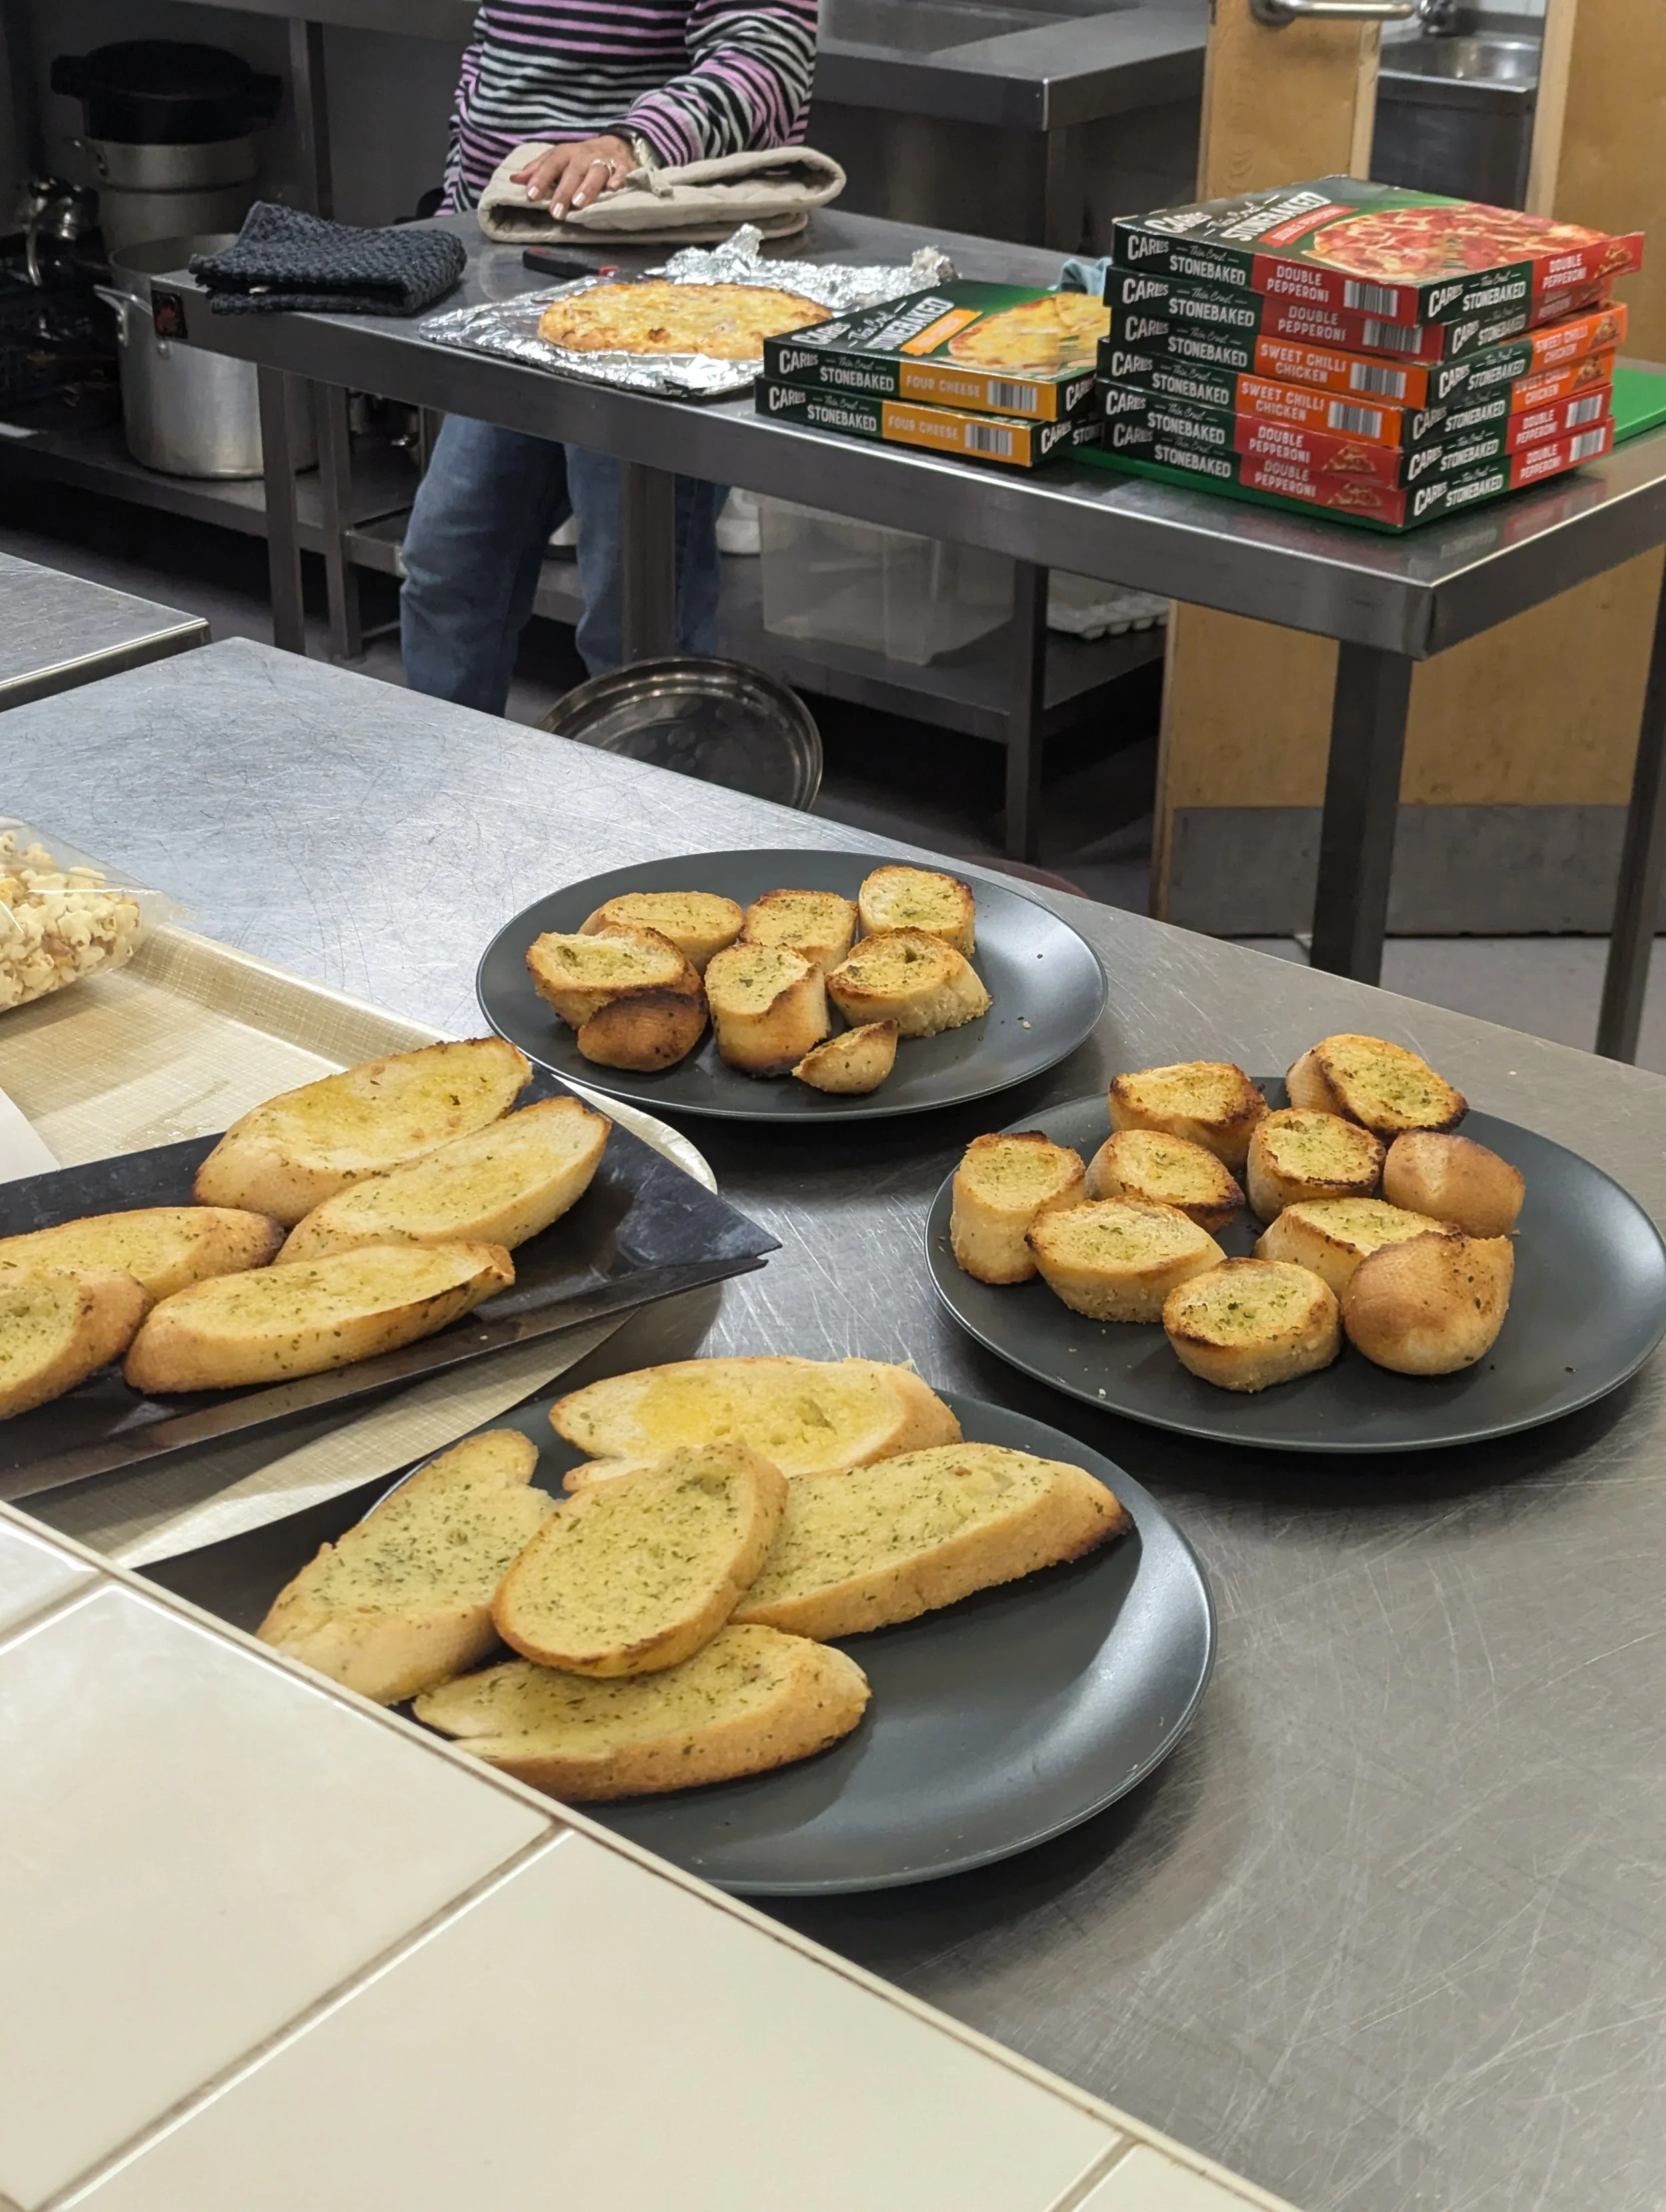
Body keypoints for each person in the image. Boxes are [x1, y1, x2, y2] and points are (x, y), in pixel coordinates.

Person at [400, 0, 818, 713]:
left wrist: (631, 144)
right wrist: (461, 225)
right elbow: (496, 60)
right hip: (515, 285)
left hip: (661, 304)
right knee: (451, 573)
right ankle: (447, 815)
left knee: (637, 631)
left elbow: (766, 59)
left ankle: (662, 820)